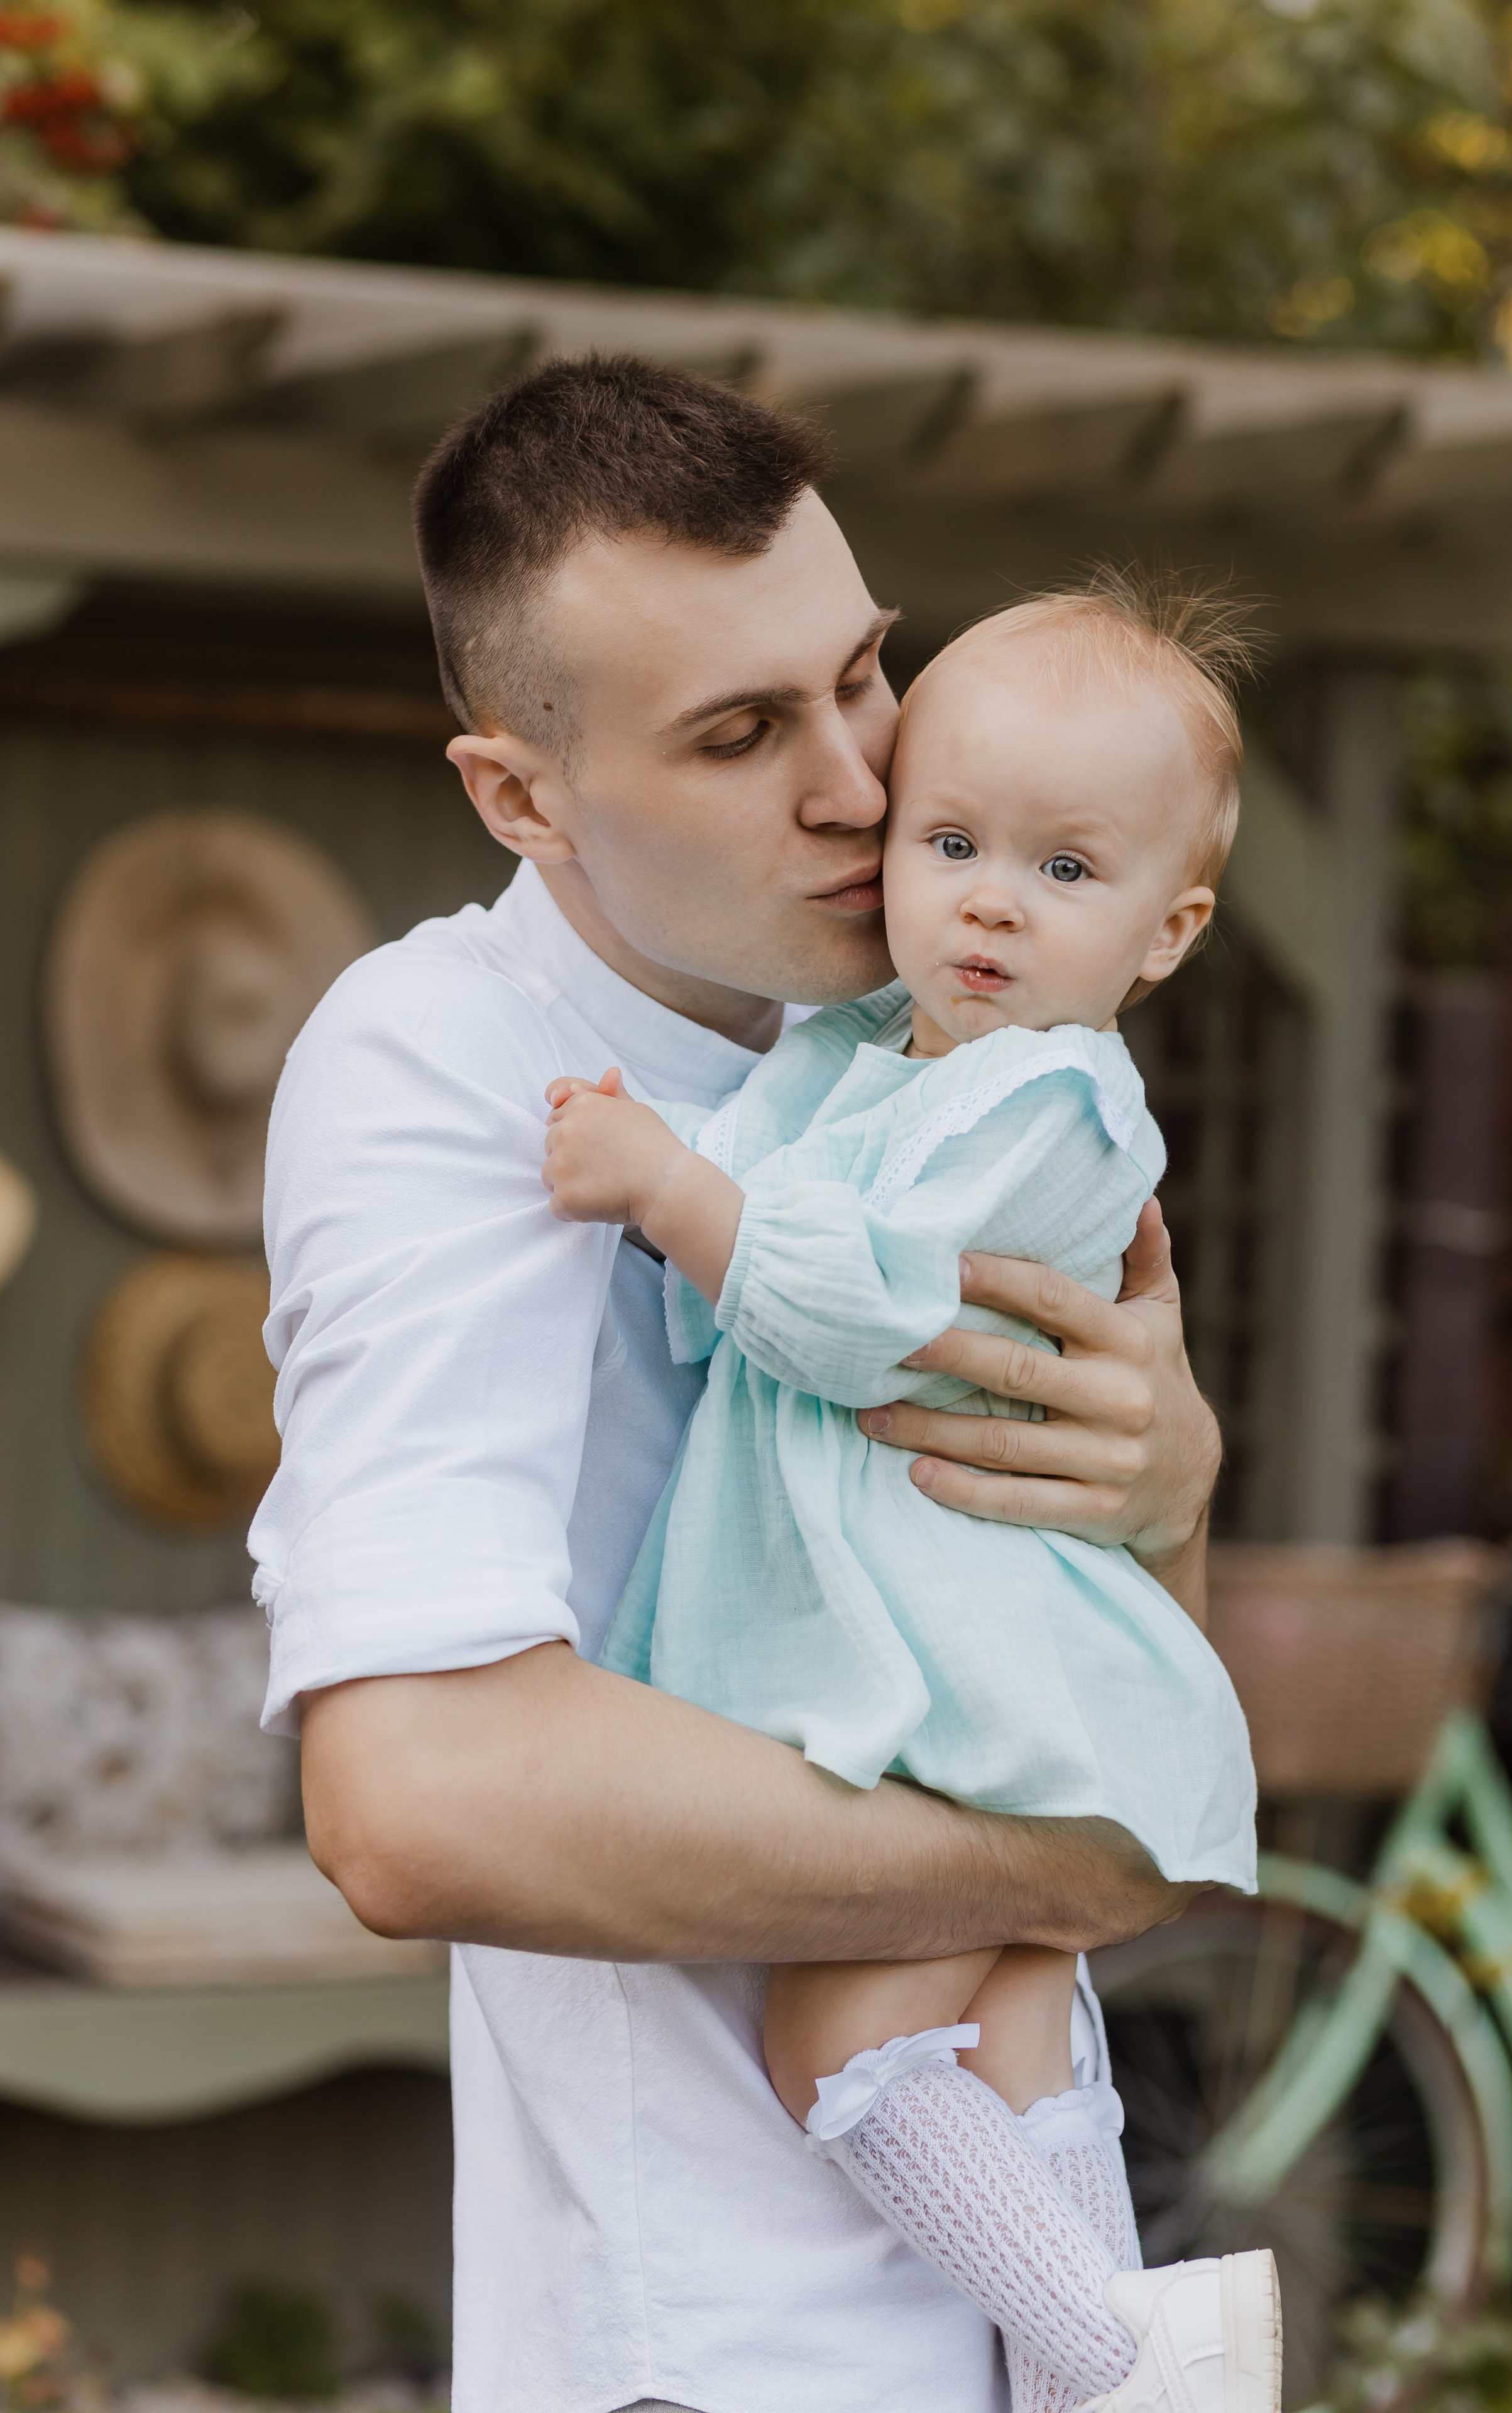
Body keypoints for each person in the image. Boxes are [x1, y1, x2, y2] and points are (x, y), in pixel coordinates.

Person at [253, 356, 1225, 2413]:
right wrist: (1066, 1862)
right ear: (522, 794)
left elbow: (1088, 1657)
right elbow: (413, 1800)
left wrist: (1173, 1490)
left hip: (1042, 2296)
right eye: (740, 733)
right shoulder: (448, 1067)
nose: (866, 787)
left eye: (861, 674)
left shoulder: (955, 1030)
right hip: (720, 2347)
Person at [538, 582, 1272, 2413]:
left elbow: (864, 1311)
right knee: (1017, 2037)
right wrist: (711, 1167)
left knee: (836, 2036)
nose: (993, 899)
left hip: (968, 1679)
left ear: (1170, 930)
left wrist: (660, 1187)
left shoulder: (1062, 1108)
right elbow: (742, 1256)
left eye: (1065, 870)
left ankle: (1117, 2360)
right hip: (929, 1656)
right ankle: (1097, 2361)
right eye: (952, 841)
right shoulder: (870, 1059)